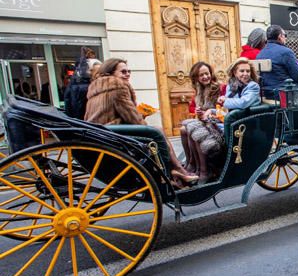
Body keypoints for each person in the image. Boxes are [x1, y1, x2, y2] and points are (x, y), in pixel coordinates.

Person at [85, 58, 198, 186]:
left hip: (100, 133)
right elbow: (132, 117)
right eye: (123, 72)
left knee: (156, 130)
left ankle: (176, 168)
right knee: (156, 132)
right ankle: (173, 169)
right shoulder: (117, 86)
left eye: (129, 71)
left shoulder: (96, 86)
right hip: (111, 134)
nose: (127, 74)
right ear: (110, 73)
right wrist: (144, 125)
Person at [257, 25, 298, 131]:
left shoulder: (260, 53)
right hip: (284, 93)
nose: (285, 38)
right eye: (285, 35)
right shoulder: (286, 52)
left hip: (267, 93)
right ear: (280, 36)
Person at [181, 61, 225, 182]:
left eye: (207, 73)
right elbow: (194, 109)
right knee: (183, 129)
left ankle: (204, 170)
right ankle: (193, 164)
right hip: (205, 122)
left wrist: (208, 113)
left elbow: (222, 110)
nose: (205, 77)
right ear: (196, 78)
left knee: (191, 130)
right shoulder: (199, 91)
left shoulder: (219, 88)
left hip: (216, 123)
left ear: (211, 73)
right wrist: (199, 112)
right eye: (201, 75)